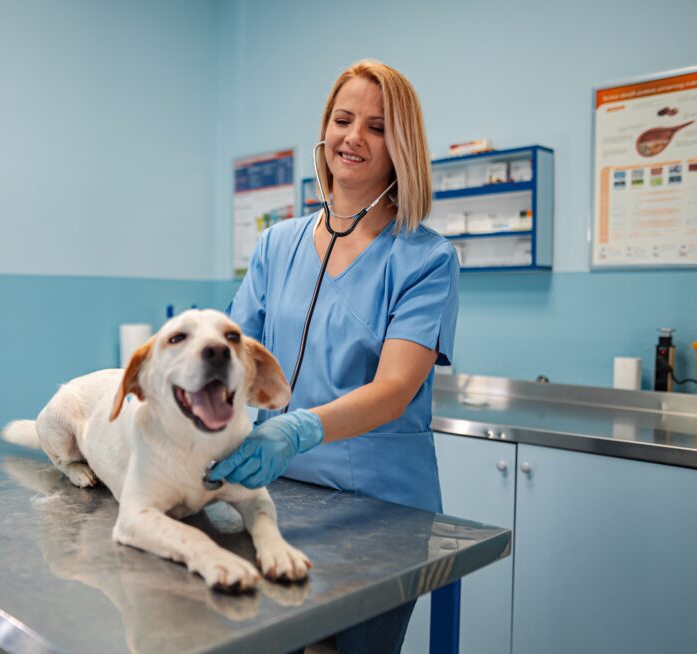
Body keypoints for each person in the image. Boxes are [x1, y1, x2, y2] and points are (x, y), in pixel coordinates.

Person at [209, 60, 460, 652]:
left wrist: (295, 430)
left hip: (381, 511)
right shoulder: (276, 243)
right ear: (324, 132)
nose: (354, 137)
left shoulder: (427, 259)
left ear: (402, 146)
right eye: (343, 120)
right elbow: (234, 354)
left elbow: (396, 388)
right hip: (277, 497)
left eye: (376, 126)